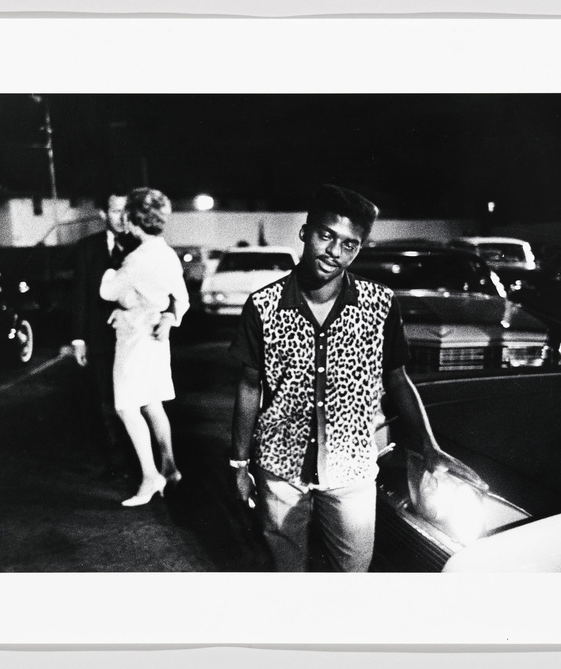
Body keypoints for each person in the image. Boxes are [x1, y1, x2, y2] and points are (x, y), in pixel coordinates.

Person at [228, 184, 485, 571]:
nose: (334, 252)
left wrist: (429, 448)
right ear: (305, 231)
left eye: (349, 244)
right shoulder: (263, 306)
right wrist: (239, 464)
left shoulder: (380, 304)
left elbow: (398, 380)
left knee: (352, 578)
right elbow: (249, 386)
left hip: (351, 472)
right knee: (286, 576)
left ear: (359, 248)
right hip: (279, 469)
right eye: (326, 236)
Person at [99, 188, 190, 507]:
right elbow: (182, 298)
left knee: (126, 406)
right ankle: (171, 468)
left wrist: (114, 272)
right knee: (152, 403)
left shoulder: (135, 259)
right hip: (155, 335)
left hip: (135, 337)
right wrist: (170, 316)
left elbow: (108, 291)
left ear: (133, 219)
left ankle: (151, 476)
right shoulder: (167, 253)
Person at [71, 193, 136, 479]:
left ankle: (141, 459)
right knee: (105, 401)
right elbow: (79, 294)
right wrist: (78, 339)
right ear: (102, 214)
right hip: (98, 338)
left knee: (135, 399)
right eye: (115, 211)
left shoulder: (140, 245)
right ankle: (117, 461)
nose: (122, 217)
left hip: (134, 336)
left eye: (126, 211)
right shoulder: (87, 248)